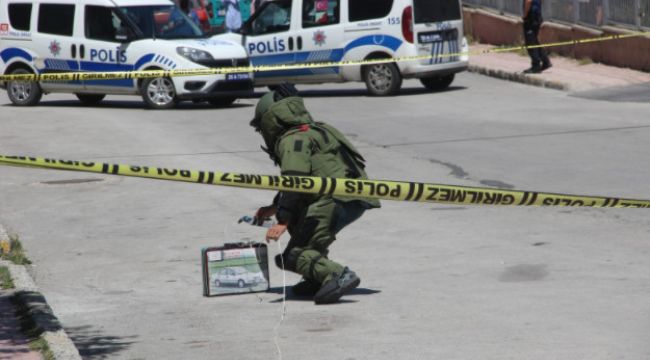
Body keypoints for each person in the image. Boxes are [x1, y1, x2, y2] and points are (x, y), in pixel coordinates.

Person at [250, 84, 380, 304]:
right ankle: (315, 278)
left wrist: (282, 220)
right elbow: (305, 176)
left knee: (292, 255)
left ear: (271, 121)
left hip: (334, 201)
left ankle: (336, 275)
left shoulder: (293, 139)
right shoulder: (318, 129)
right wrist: (275, 207)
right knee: (303, 231)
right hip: (352, 198)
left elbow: (295, 180)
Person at [522, 0, 551, 73]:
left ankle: (536, 66)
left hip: (531, 18)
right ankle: (545, 62)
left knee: (530, 43)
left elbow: (528, 1)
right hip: (537, 16)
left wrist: (525, 15)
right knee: (534, 41)